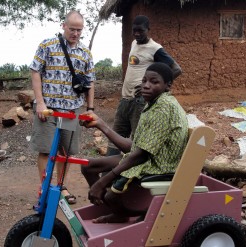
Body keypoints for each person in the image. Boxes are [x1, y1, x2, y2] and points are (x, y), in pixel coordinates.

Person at [81, 62, 188, 223]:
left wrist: (102, 182)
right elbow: (134, 147)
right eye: (144, 80)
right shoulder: (153, 104)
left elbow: (140, 155)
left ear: (168, 85)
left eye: (154, 82)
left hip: (158, 166)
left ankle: (120, 211)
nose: (146, 85)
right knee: (88, 166)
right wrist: (100, 124)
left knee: (110, 193)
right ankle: (112, 207)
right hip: (148, 158)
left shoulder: (163, 107)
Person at [29, 10, 96, 204]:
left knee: (66, 152)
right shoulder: (47, 45)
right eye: (72, 29)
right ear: (63, 26)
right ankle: (46, 186)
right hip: (48, 108)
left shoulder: (85, 53)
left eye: (79, 30)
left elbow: (90, 82)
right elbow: (35, 72)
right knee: (45, 149)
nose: (75, 33)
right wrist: (40, 102)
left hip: (71, 110)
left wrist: (90, 108)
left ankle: (60, 186)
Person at [107, 15, 183, 156]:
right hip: (125, 99)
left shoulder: (155, 49)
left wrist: (154, 89)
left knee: (138, 142)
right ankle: (108, 176)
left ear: (148, 29)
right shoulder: (134, 44)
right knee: (114, 140)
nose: (137, 34)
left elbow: (177, 69)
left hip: (140, 102)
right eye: (134, 31)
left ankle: (134, 176)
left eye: (140, 31)